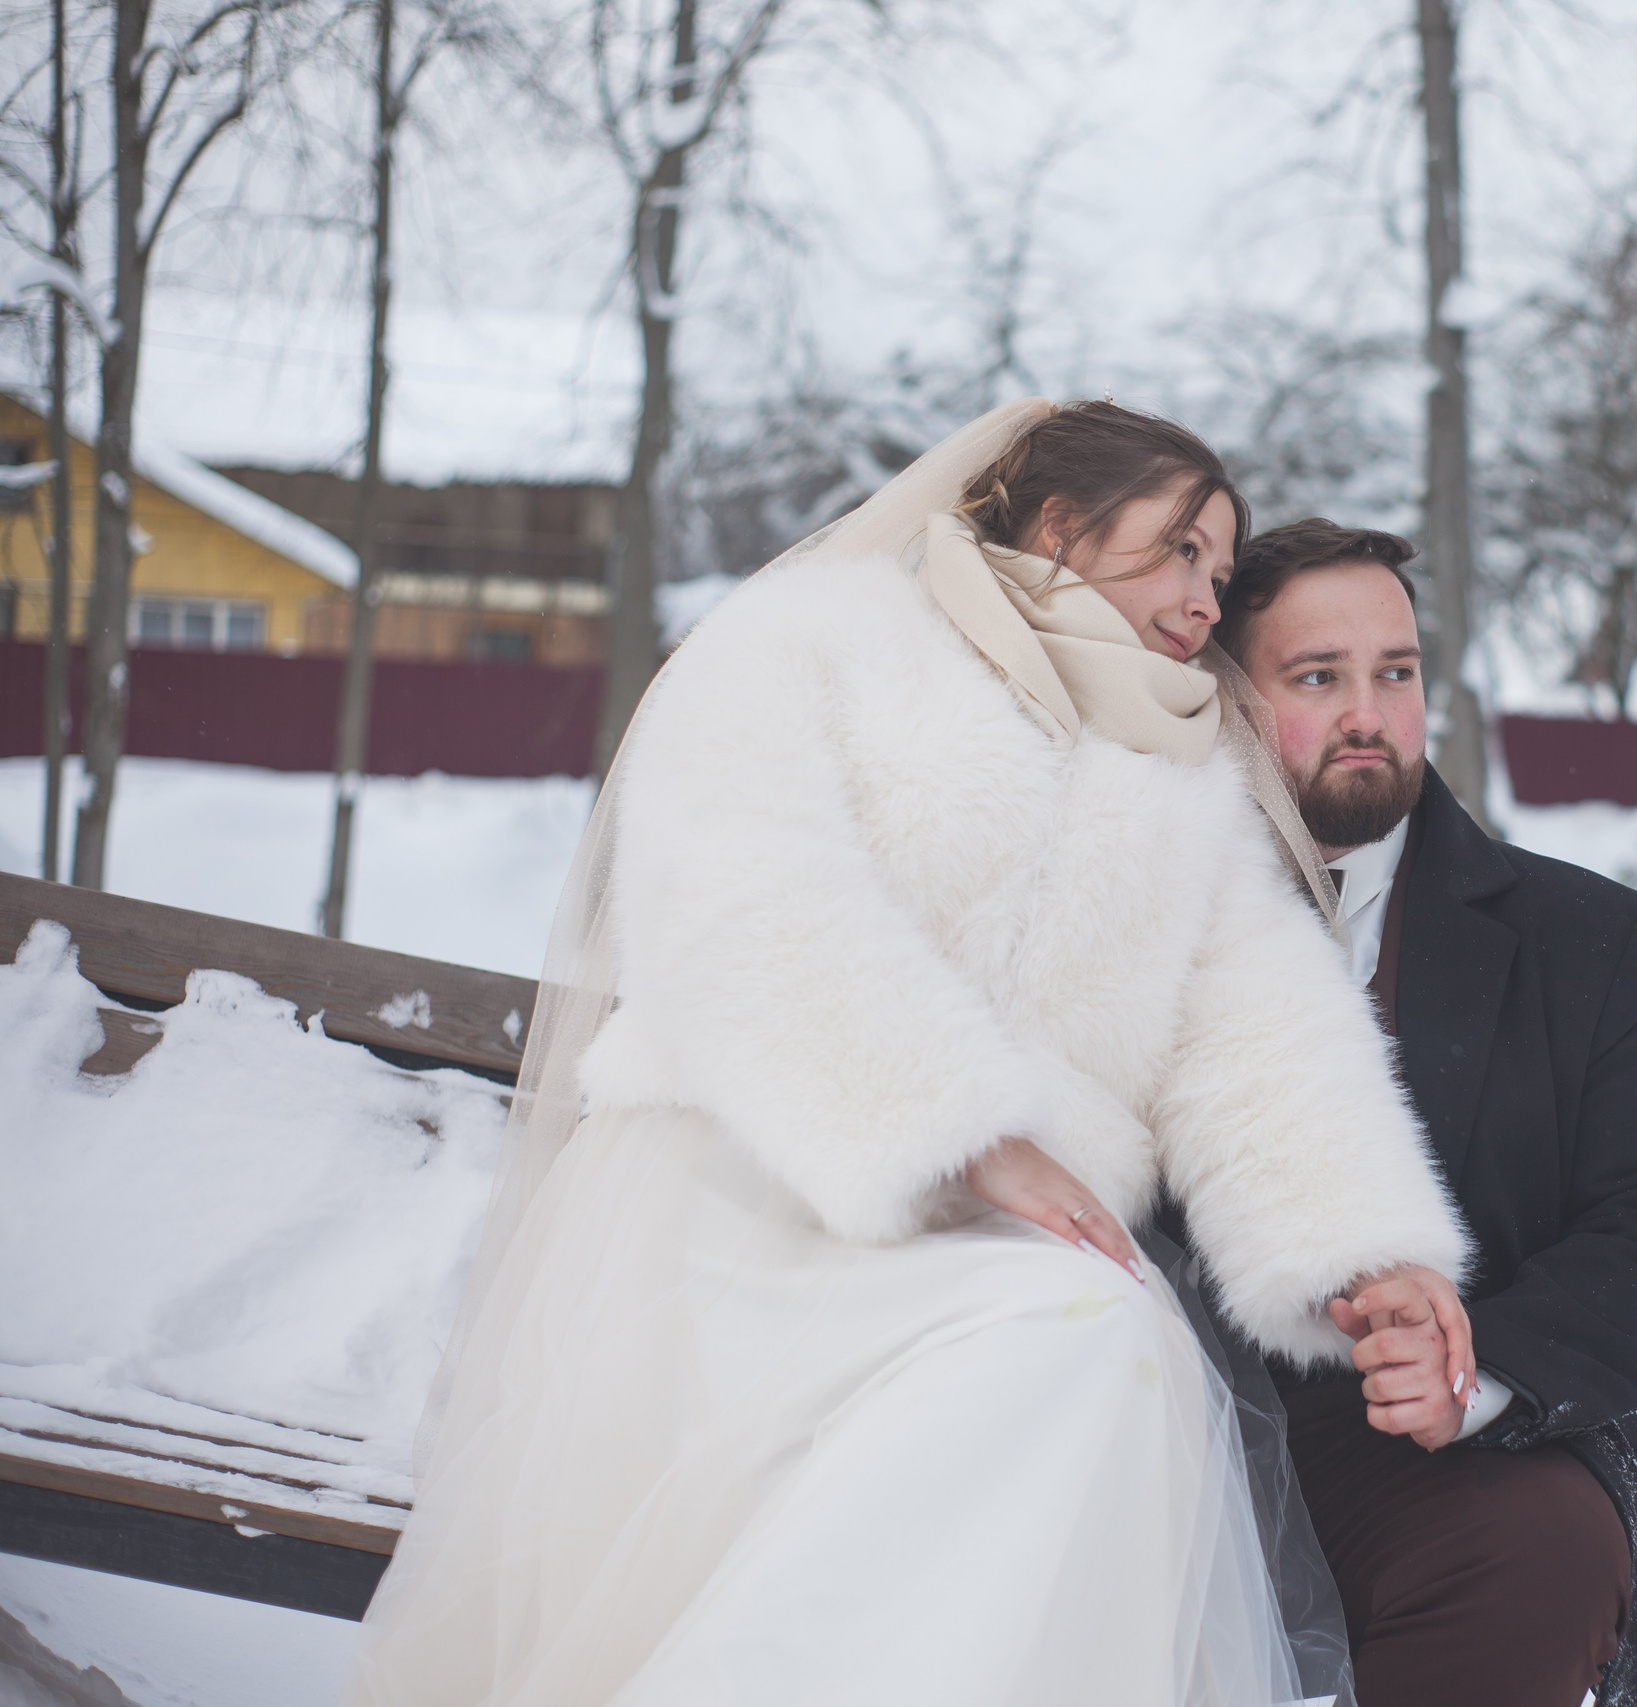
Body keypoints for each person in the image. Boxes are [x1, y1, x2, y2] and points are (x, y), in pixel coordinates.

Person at [342, 404, 1475, 1707]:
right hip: (742, 1203)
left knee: (1102, 1338)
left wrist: (1366, 1251)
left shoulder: (1177, 770)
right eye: (1180, 550)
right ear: (1058, 524)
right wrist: (966, 1132)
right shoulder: (815, 644)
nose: (1204, 597)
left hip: (1006, 1257)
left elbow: (1254, 1030)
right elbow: (736, 897)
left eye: (1222, 571)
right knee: (1080, 1337)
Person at [1214, 519, 1637, 1707]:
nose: (1369, 713)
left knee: (1538, 1556)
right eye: (1317, 677)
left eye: (1394, 673)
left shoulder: (1587, 943)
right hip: (1159, 1415)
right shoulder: (1140, 920)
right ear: (1226, 699)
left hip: (1424, 1446)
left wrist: (1472, 1373)